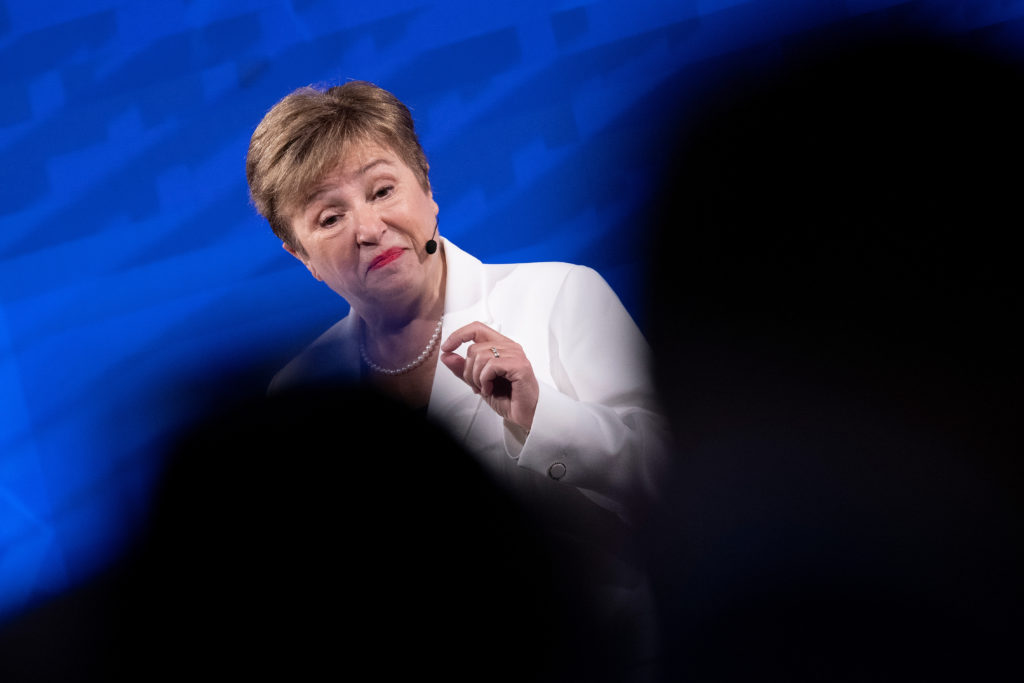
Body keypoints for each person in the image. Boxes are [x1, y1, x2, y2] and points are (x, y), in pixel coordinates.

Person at [246, 81, 669, 676]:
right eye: (330, 217)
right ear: (301, 256)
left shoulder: (559, 294)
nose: (368, 228)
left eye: (383, 190)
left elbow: (671, 475)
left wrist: (541, 416)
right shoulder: (303, 389)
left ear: (427, 187)